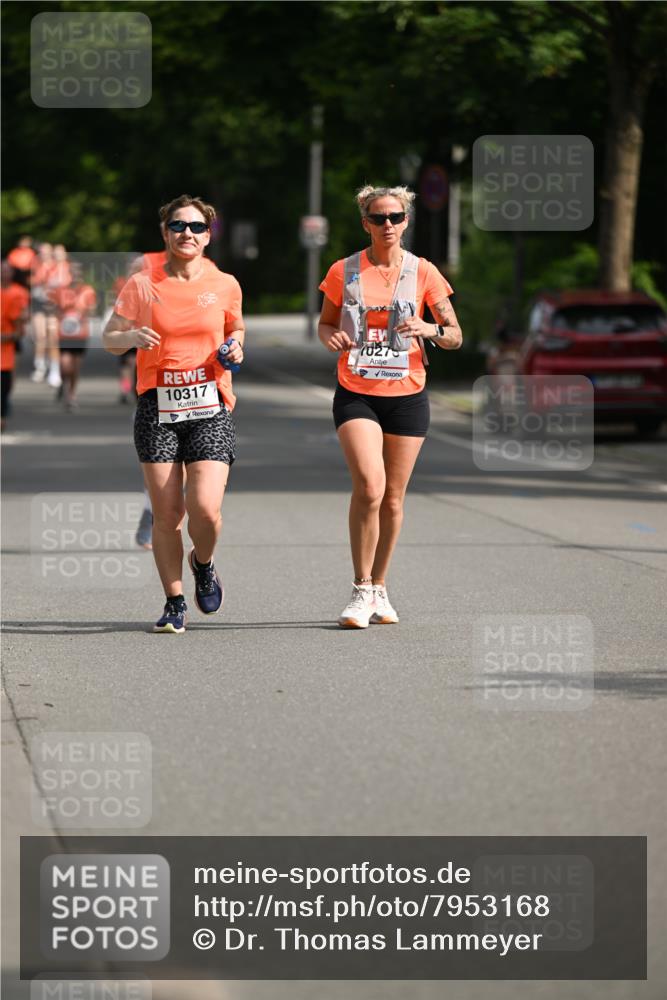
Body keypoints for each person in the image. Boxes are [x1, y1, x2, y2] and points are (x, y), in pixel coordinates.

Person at [318, 184, 462, 628]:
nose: (388, 225)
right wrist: (333, 338)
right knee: (369, 486)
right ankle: (361, 590)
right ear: (365, 223)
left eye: (396, 217)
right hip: (357, 390)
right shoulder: (345, 271)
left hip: (408, 395)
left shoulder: (424, 272)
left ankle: (380, 587)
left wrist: (429, 327)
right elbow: (325, 325)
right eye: (378, 218)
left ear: (406, 221)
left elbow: (456, 335)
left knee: (394, 500)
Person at [103, 194, 245, 633]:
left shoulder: (225, 283)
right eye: (179, 226)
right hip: (156, 407)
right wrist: (129, 335)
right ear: (165, 233)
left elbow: (234, 327)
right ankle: (175, 601)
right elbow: (109, 338)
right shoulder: (142, 284)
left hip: (210, 405)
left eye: (197, 227)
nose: (188, 233)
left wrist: (236, 345)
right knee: (167, 515)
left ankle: (203, 562)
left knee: (205, 508)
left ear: (208, 236)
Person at [51, 261, 97, 410]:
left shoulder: (88, 291)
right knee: (65, 365)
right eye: (73, 272)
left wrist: (83, 312)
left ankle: (71, 394)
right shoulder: (62, 290)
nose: (76, 276)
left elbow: (93, 310)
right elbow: (55, 309)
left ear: (82, 275)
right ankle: (64, 387)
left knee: (75, 367)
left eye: (79, 273)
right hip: (64, 332)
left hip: (80, 333)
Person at [1, 260, 30, 431]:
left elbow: (22, 318)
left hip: (7, 344)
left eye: (6, 271)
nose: (4, 274)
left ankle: (4, 403)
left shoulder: (18, 292)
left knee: (7, 377)